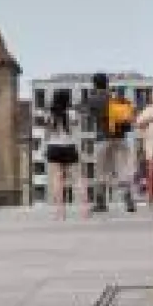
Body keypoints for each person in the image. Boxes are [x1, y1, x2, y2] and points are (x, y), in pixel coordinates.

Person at [86, 72, 135, 214]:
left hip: (103, 138)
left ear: (94, 84)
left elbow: (90, 116)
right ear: (107, 83)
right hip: (121, 138)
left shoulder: (94, 99)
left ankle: (101, 202)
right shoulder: (117, 98)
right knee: (123, 169)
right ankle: (128, 198)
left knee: (102, 171)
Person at [44, 88, 84, 220]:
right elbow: (76, 125)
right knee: (77, 178)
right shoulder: (72, 114)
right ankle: (84, 209)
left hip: (54, 147)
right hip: (69, 147)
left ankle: (60, 212)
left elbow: (47, 133)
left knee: (57, 179)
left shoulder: (49, 115)